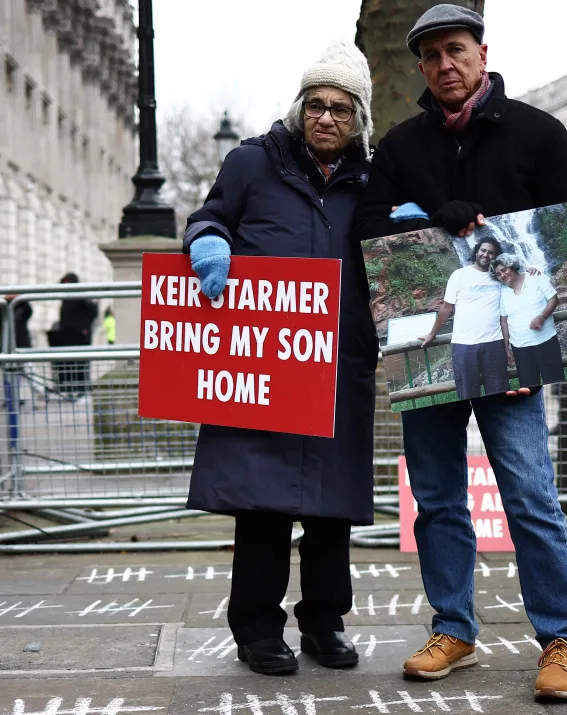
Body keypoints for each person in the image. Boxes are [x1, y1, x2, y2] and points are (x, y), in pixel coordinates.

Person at [353, 4, 567, 700]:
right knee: (436, 498)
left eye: (455, 50)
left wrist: (538, 353)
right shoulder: (399, 146)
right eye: (430, 57)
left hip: (513, 357)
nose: (443, 66)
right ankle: (453, 627)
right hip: (431, 358)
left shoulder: (539, 134)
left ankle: (564, 640)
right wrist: (436, 216)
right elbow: (371, 228)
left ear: (482, 52)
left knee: (529, 494)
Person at [181, 38, 378, 676]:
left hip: (339, 364)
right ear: (299, 110)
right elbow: (206, 218)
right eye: (316, 105)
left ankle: (325, 621)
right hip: (266, 365)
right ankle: (258, 628)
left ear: (360, 120)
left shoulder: (373, 181)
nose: (326, 118)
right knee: (261, 503)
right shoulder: (250, 164)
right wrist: (208, 242)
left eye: (341, 109)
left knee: (331, 507)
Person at [421, 239, 507, 399]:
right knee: (468, 394)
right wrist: (432, 334)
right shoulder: (459, 275)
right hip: (464, 345)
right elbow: (446, 308)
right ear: (476, 251)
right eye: (483, 250)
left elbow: (517, 281)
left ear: (495, 256)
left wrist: (529, 272)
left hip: (495, 343)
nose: (486, 255)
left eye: (491, 252)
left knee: (498, 392)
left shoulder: (499, 277)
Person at [491, 254, 564, 387]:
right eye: (498, 274)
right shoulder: (503, 291)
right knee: (529, 387)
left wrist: (542, 317)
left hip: (546, 342)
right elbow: (504, 321)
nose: (502, 275)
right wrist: (507, 348)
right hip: (520, 349)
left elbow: (554, 299)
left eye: (504, 270)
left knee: (556, 383)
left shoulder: (534, 277)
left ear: (512, 266)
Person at [48, 273, 98, 399]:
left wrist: (85, 327)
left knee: (81, 363)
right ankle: (69, 388)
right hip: (67, 336)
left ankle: (82, 388)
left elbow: (93, 311)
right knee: (68, 363)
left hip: (80, 336)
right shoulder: (66, 298)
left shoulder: (80, 295)